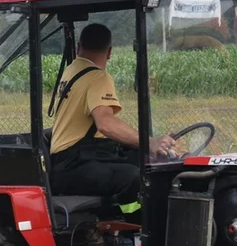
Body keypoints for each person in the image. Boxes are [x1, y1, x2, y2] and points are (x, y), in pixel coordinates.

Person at [48, 23, 174, 206]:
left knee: (146, 162)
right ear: (109, 52)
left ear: (78, 47)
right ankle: (135, 228)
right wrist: (151, 143)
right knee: (138, 179)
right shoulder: (98, 77)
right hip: (77, 165)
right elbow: (105, 123)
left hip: (66, 164)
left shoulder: (72, 70)